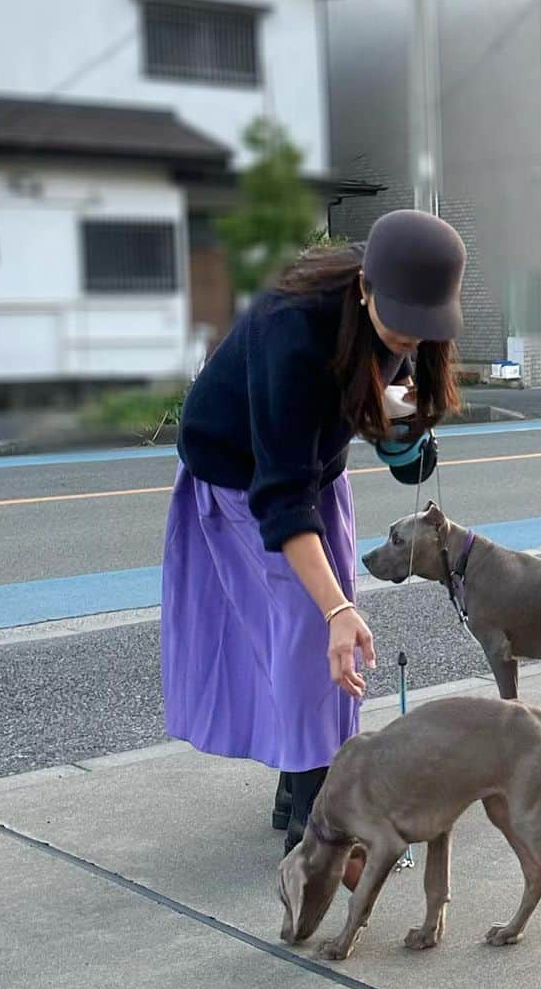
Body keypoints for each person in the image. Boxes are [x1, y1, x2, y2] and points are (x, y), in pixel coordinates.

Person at [162, 209, 467, 853]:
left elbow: (393, 374)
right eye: (400, 324)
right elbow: (282, 498)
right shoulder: (292, 332)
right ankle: (316, 822)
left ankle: (296, 783)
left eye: (426, 328)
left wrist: (406, 440)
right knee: (309, 633)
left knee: (306, 634)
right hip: (244, 481)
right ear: (365, 288)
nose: (410, 339)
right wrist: (337, 609)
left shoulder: (400, 317)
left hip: (312, 477)